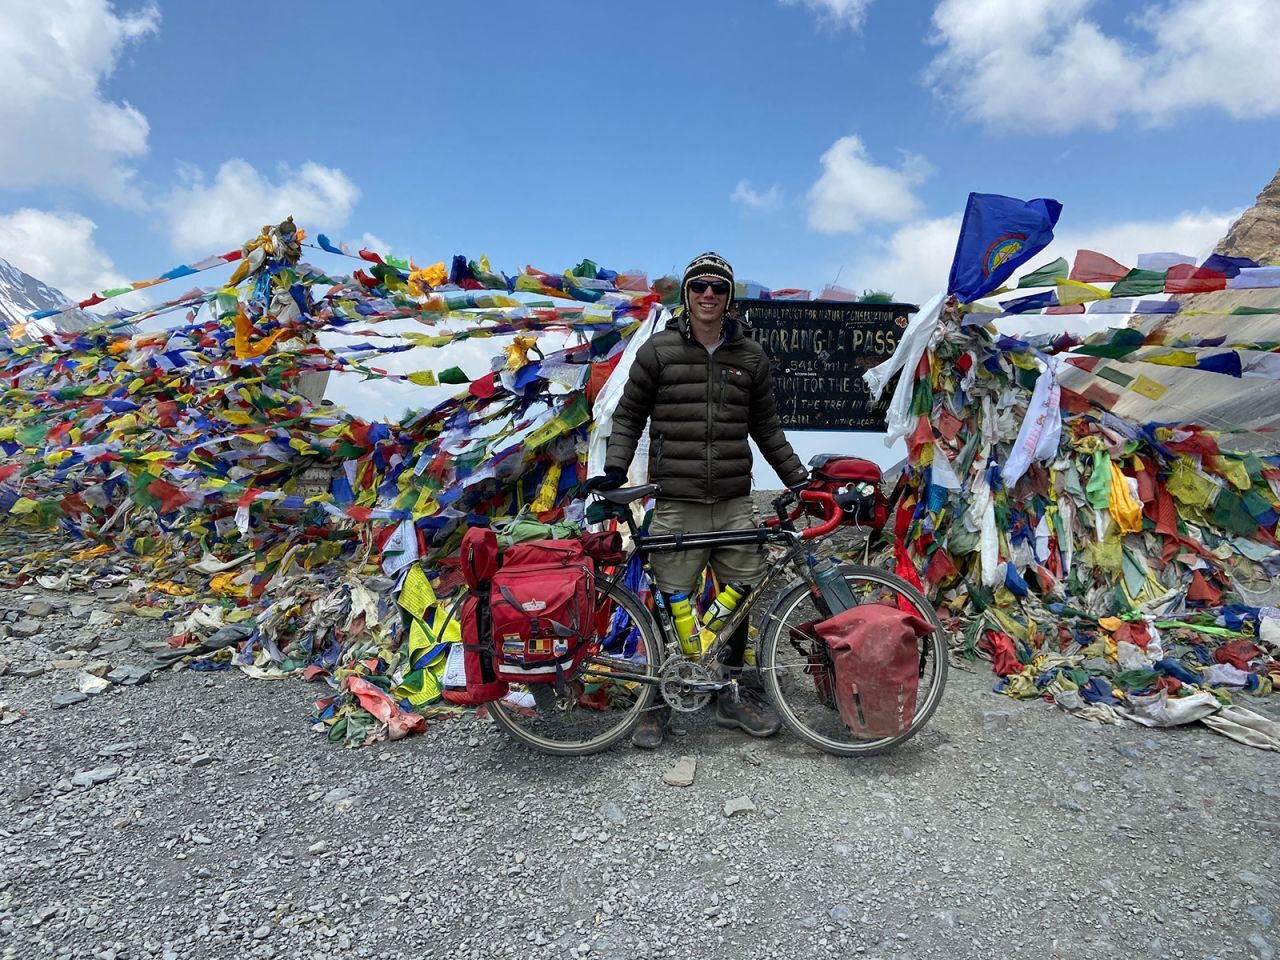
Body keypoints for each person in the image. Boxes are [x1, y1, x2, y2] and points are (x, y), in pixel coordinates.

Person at [585, 251, 809, 749]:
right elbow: (627, 417)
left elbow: (767, 428)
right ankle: (661, 700)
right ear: (685, 294)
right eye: (699, 286)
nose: (709, 294)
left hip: (733, 497)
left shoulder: (750, 357)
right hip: (676, 498)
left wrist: (799, 478)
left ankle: (730, 691)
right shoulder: (659, 352)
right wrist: (616, 470)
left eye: (719, 287)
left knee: (739, 594)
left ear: (730, 298)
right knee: (672, 599)